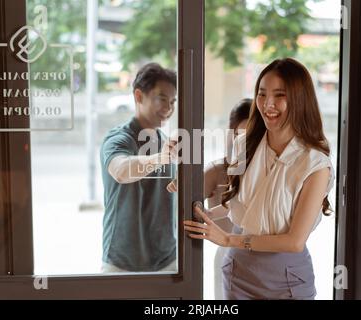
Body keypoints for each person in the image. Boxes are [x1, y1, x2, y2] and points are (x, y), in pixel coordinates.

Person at [184, 58, 335, 300]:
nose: (268, 104)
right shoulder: (245, 145)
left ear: (299, 100)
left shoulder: (315, 164)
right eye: (262, 94)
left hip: (287, 278)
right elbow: (247, 203)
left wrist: (227, 239)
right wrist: (209, 215)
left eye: (279, 95)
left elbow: (294, 242)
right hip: (238, 272)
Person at [166, 98, 251, 299]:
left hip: (266, 256)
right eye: (240, 135)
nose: (245, 143)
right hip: (230, 254)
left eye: (254, 135)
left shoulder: (272, 169)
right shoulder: (218, 170)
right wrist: (181, 182)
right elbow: (188, 199)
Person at [100, 63, 178, 273]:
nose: (169, 108)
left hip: (167, 261)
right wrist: (160, 158)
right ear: (138, 96)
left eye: (172, 102)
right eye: (162, 99)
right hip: (122, 263)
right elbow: (121, 170)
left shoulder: (167, 144)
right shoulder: (118, 139)